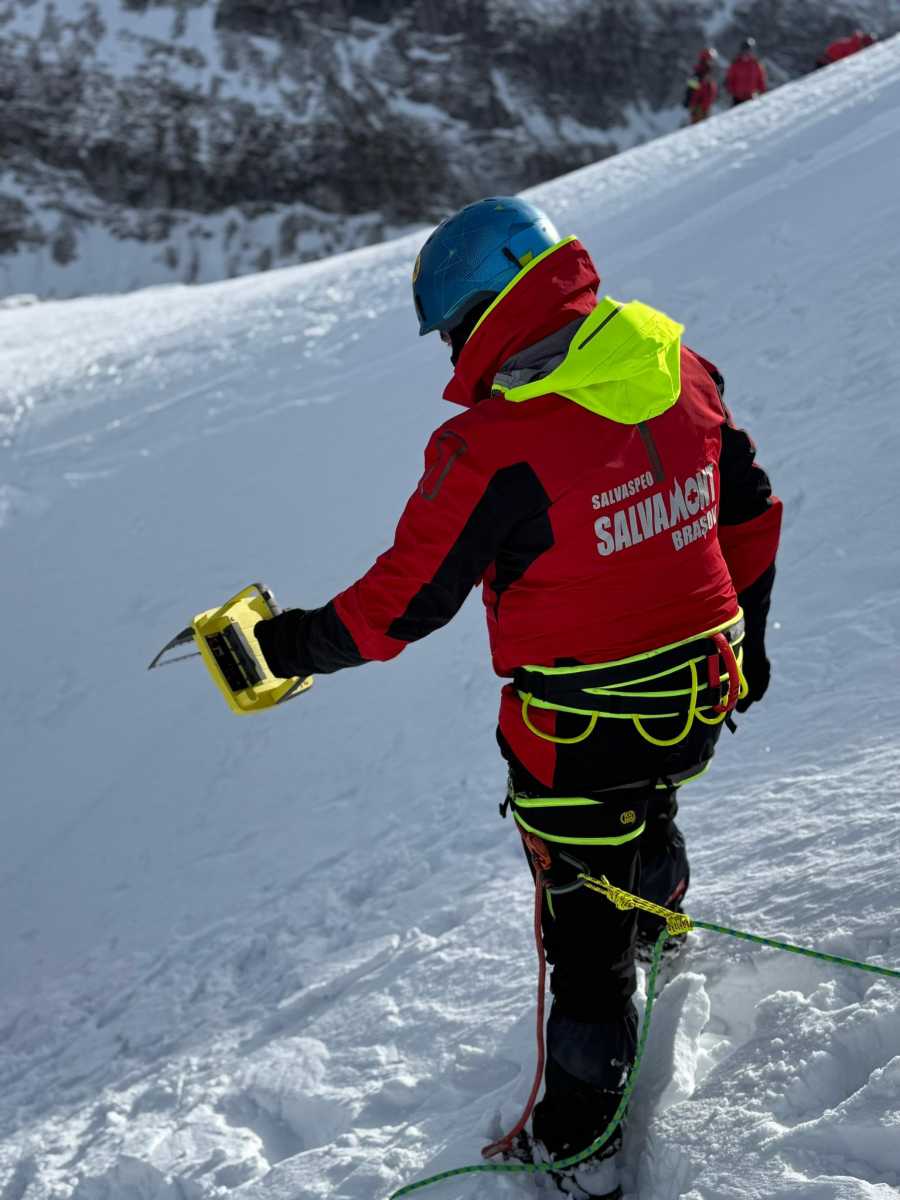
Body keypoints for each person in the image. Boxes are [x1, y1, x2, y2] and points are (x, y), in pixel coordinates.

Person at [254, 197, 782, 1199]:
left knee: (577, 937)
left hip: (578, 731)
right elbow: (748, 508)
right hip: (700, 693)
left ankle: (579, 1148)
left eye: (453, 329)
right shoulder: (679, 365)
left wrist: (287, 646)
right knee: (651, 798)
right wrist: (749, 643)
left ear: (483, 314)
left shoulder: (493, 447)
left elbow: (402, 606)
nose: (453, 351)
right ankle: (661, 919)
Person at [725, 37, 767, 105]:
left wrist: (762, 92)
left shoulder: (756, 64)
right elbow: (730, 79)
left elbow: (761, 79)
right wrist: (730, 90)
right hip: (737, 98)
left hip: (751, 97)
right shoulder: (736, 64)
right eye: (744, 50)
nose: (746, 53)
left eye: (748, 51)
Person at [684, 47, 718, 123]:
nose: (712, 62)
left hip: (705, 108)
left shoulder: (707, 73)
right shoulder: (698, 74)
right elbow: (690, 90)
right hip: (698, 109)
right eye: (710, 60)